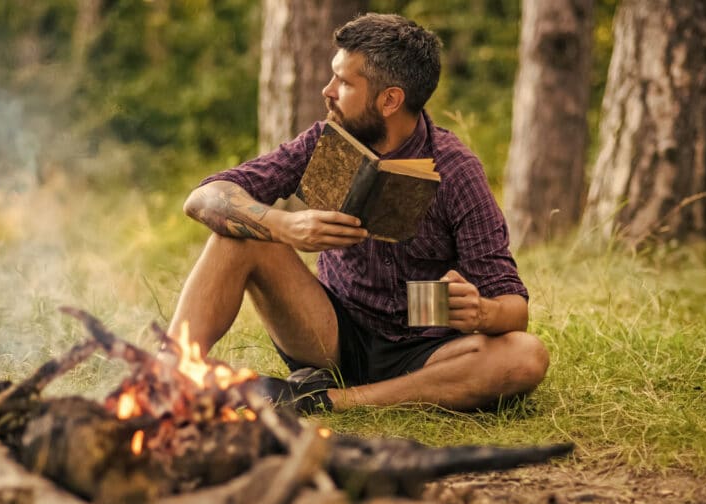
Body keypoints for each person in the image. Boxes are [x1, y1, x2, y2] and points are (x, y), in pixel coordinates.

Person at [170, 13, 548, 412]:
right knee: (238, 236)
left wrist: (483, 312)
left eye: (345, 82)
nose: (328, 90)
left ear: (390, 100)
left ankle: (328, 400)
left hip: (428, 353)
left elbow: (514, 309)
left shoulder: (456, 170)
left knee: (526, 356)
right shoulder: (324, 141)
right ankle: (167, 375)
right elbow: (204, 198)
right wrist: (284, 225)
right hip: (333, 334)